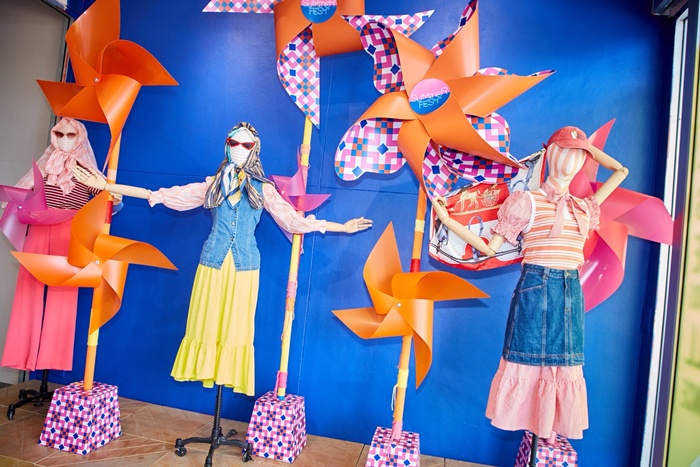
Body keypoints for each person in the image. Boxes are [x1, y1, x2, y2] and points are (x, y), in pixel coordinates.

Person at [73, 121, 372, 396]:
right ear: (226, 145)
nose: (239, 148)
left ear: (255, 149)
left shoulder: (263, 189)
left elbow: (294, 221)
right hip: (212, 263)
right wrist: (108, 186)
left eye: (246, 144)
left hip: (245, 268)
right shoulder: (213, 184)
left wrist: (340, 227)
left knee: (237, 326)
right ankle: (206, 369)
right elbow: (161, 195)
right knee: (206, 321)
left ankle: (229, 374)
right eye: (234, 142)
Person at [432, 126, 628, 442]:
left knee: (564, 364)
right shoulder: (527, 202)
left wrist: (585, 147)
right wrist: (448, 221)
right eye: (564, 152)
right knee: (526, 359)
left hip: (570, 290)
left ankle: (547, 430)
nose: (571, 160)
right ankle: (530, 426)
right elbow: (490, 249)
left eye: (578, 156)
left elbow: (621, 171)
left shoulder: (584, 206)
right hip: (536, 285)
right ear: (550, 155)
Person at [1, 117, 106, 371]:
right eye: (60, 134)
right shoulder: (44, 166)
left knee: (64, 295)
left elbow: (110, 203)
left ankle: (54, 359)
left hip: (70, 234)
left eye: (71, 135)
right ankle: (21, 356)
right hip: (38, 231)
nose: (65, 140)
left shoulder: (87, 170)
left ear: (81, 137)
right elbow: (17, 196)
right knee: (28, 290)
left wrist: (107, 191)